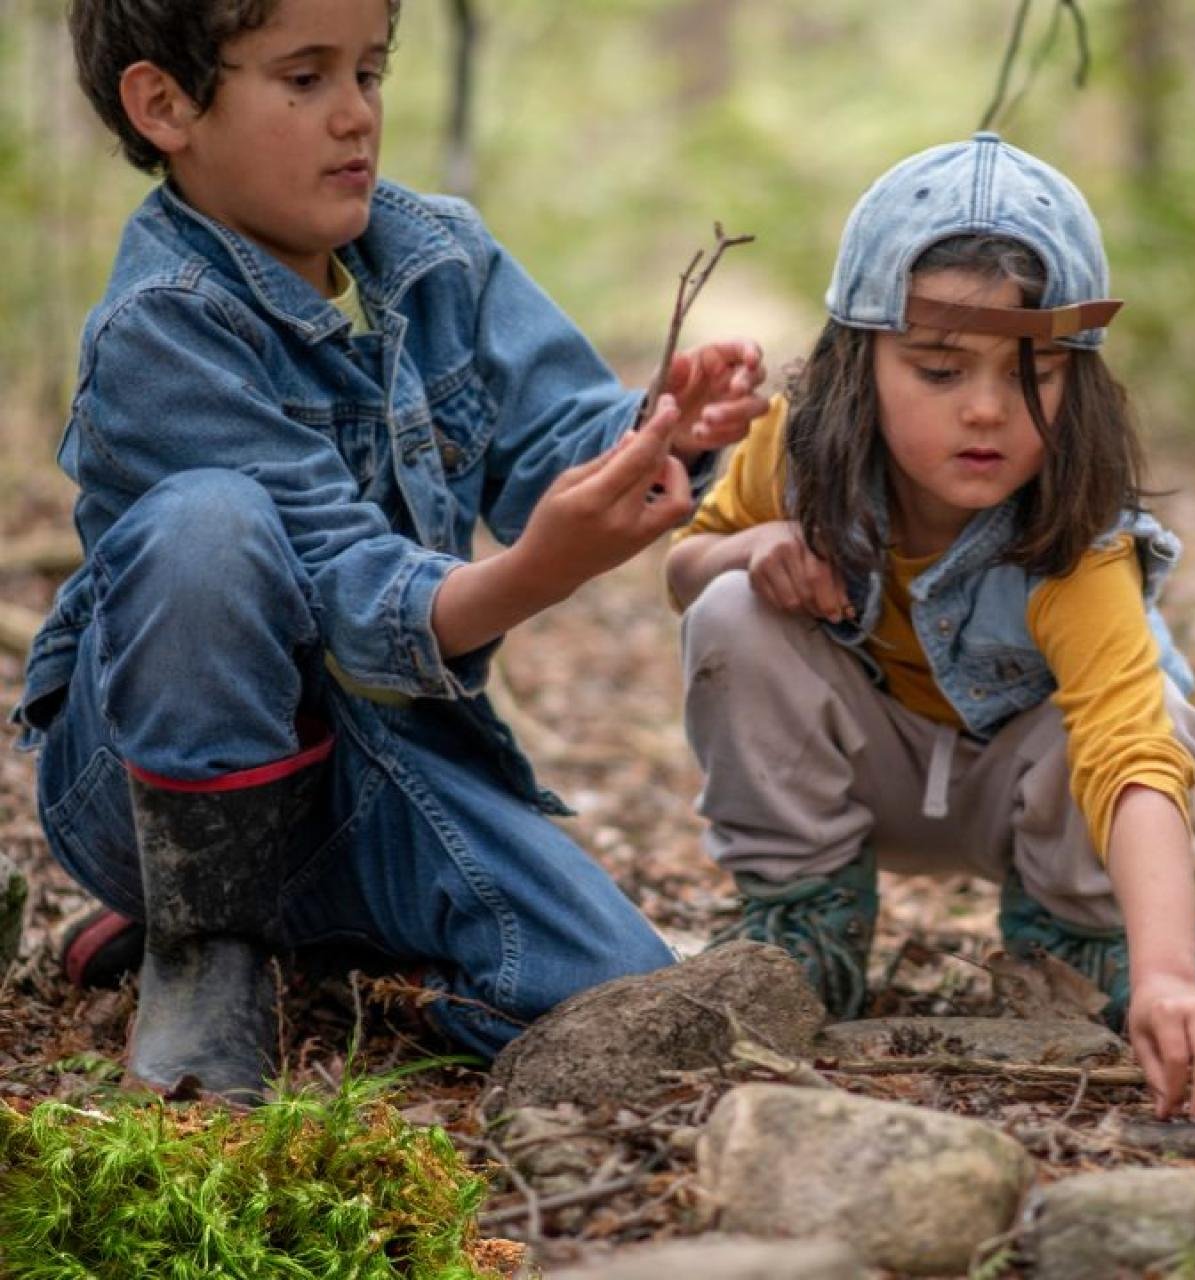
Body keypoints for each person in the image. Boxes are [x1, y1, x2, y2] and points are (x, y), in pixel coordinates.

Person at [15, 0, 770, 1100]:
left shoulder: (438, 254)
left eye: (370, 71)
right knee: (208, 523)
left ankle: (325, 960)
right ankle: (201, 937)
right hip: (145, 777)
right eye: (305, 78)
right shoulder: (160, 326)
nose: (356, 116)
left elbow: (555, 435)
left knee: (613, 986)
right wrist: (535, 572)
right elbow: (350, 589)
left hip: (374, 763)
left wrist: (659, 429)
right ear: (165, 104)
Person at [665, 133, 1195, 1119]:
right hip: (858, 768)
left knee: (1146, 701)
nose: (988, 410)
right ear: (860, 362)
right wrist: (750, 544)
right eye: (939, 369)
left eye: (1035, 374)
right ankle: (805, 925)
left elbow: (1128, 754)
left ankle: (1073, 936)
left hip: (1017, 797)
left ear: (1080, 379)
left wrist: (1167, 975)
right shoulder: (798, 451)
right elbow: (685, 568)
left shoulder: (1078, 540)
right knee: (732, 606)